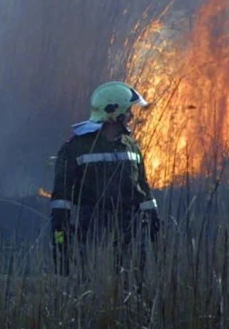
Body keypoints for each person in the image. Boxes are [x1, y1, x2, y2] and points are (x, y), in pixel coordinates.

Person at [50, 81, 161, 279]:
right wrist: (61, 236)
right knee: (94, 282)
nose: (131, 116)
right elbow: (61, 197)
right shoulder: (76, 148)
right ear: (114, 113)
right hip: (92, 234)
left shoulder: (131, 147)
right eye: (128, 111)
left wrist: (153, 219)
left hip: (130, 233)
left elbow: (142, 188)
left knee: (132, 283)